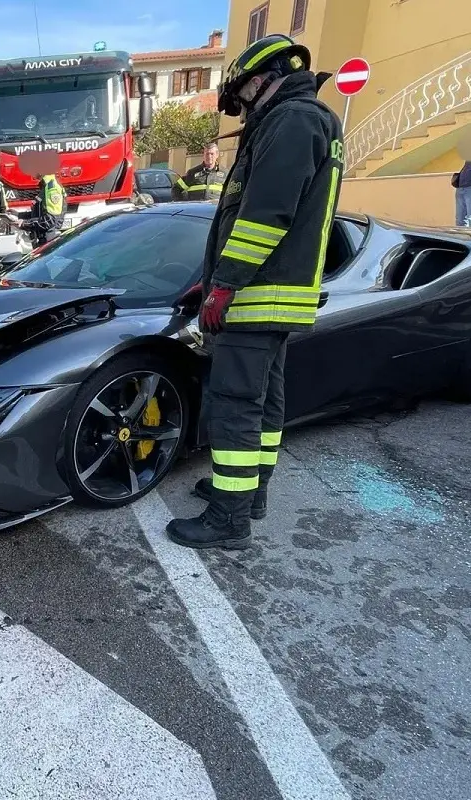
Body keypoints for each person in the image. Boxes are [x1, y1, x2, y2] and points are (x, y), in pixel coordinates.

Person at [167, 33, 344, 550]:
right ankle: (249, 493)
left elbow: (264, 218)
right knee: (264, 402)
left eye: (243, 98)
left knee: (235, 404)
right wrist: (212, 279)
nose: (243, 110)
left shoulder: (291, 122)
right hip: (276, 294)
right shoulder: (309, 120)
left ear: (262, 80)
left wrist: (224, 285)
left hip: (258, 294)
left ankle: (228, 519)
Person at [15, 149, 66, 248]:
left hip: (48, 240)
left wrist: (25, 223)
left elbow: (51, 220)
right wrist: (18, 215)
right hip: (44, 238)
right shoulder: (46, 186)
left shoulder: (52, 188)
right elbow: (40, 214)